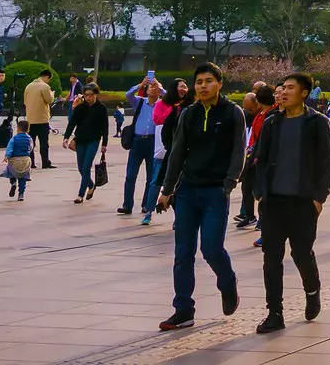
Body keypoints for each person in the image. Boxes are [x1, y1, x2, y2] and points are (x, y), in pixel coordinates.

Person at [155, 62, 246, 332]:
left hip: (215, 191)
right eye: (199, 82)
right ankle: (183, 309)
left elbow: (238, 151)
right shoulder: (189, 114)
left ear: (220, 83)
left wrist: (229, 183)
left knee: (211, 248)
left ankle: (227, 282)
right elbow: (178, 152)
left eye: (208, 81)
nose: (203, 86)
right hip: (187, 191)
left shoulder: (232, 113)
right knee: (183, 253)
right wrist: (167, 190)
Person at [249, 71, 330, 334]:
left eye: (290, 88)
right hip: (273, 202)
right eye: (282, 88)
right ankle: (275, 312)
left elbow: (325, 162)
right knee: (271, 258)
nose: (283, 92)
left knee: (301, 254)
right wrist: (259, 191)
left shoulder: (316, 122)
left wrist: (319, 198)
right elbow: (260, 159)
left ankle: (312, 290)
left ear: (304, 93)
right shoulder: (273, 121)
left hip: (302, 203)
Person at [117, 77, 165, 223]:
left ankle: (146, 204)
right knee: (130, 175)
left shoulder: (161, 105)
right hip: (137, 140)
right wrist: (141, 84)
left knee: (151, 177)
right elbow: (128, 95)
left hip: (153, 141)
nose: (153, 88)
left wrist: (161, 87)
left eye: (155, 88)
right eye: (150, 87)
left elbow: (173, 99)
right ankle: (127, 205)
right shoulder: (139, 102)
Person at [63, 83, 110, 204]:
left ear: (96, 94)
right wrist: (66, 137)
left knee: (86, 166)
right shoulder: (80, 107)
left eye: (91, 95)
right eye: (86, 95)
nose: (88, 97)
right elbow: (72, 123)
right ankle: (91, 185)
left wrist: (104, 143)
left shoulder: (101, 108)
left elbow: (105, 127)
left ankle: (80, 194)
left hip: (93, 140)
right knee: (80, 167)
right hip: (80, 139)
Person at [235, 83, 273, 231]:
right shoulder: (260, 114)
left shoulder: (271, 114)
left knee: (261, 191)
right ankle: (249, 215)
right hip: (252, 154)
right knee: (247, 186)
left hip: (262, 157)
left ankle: (263, 220)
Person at [23, 69, 55, 170]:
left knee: (31, 143)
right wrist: (52, 94)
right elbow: (49, 100)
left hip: (30, 119)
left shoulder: (28, 86)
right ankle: (45, 162)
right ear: (47, 77)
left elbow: (25, 102)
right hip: (42, 119)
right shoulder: (45, 86)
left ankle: (31, 163)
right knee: (44, 143)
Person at [3, 123, 35, 200]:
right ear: (28, 129)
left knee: (11, 172)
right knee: (22, 177)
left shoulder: (14, 138)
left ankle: (13, 183)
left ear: (18, 129)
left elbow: (9, 148)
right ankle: (21, 194)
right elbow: (31, 148)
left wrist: (7, 156)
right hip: (25, 160)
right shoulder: (29, 138)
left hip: (15, 159)